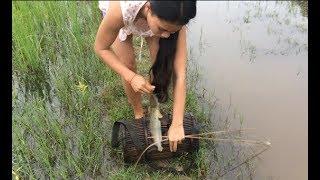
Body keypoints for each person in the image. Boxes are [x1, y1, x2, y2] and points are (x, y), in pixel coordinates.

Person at [94, 1, 197, 152]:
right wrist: (131, 77)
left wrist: (178, 123)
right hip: (124, 16)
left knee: (159, 65)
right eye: (162, 29)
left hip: (154, 17)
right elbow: (100, 48)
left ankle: (153, 108)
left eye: (172, 31)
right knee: (127, 64)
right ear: (148, 8)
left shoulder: (176, 15)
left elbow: (180, 74)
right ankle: (138, 112)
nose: (166, 35)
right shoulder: (119, 10)